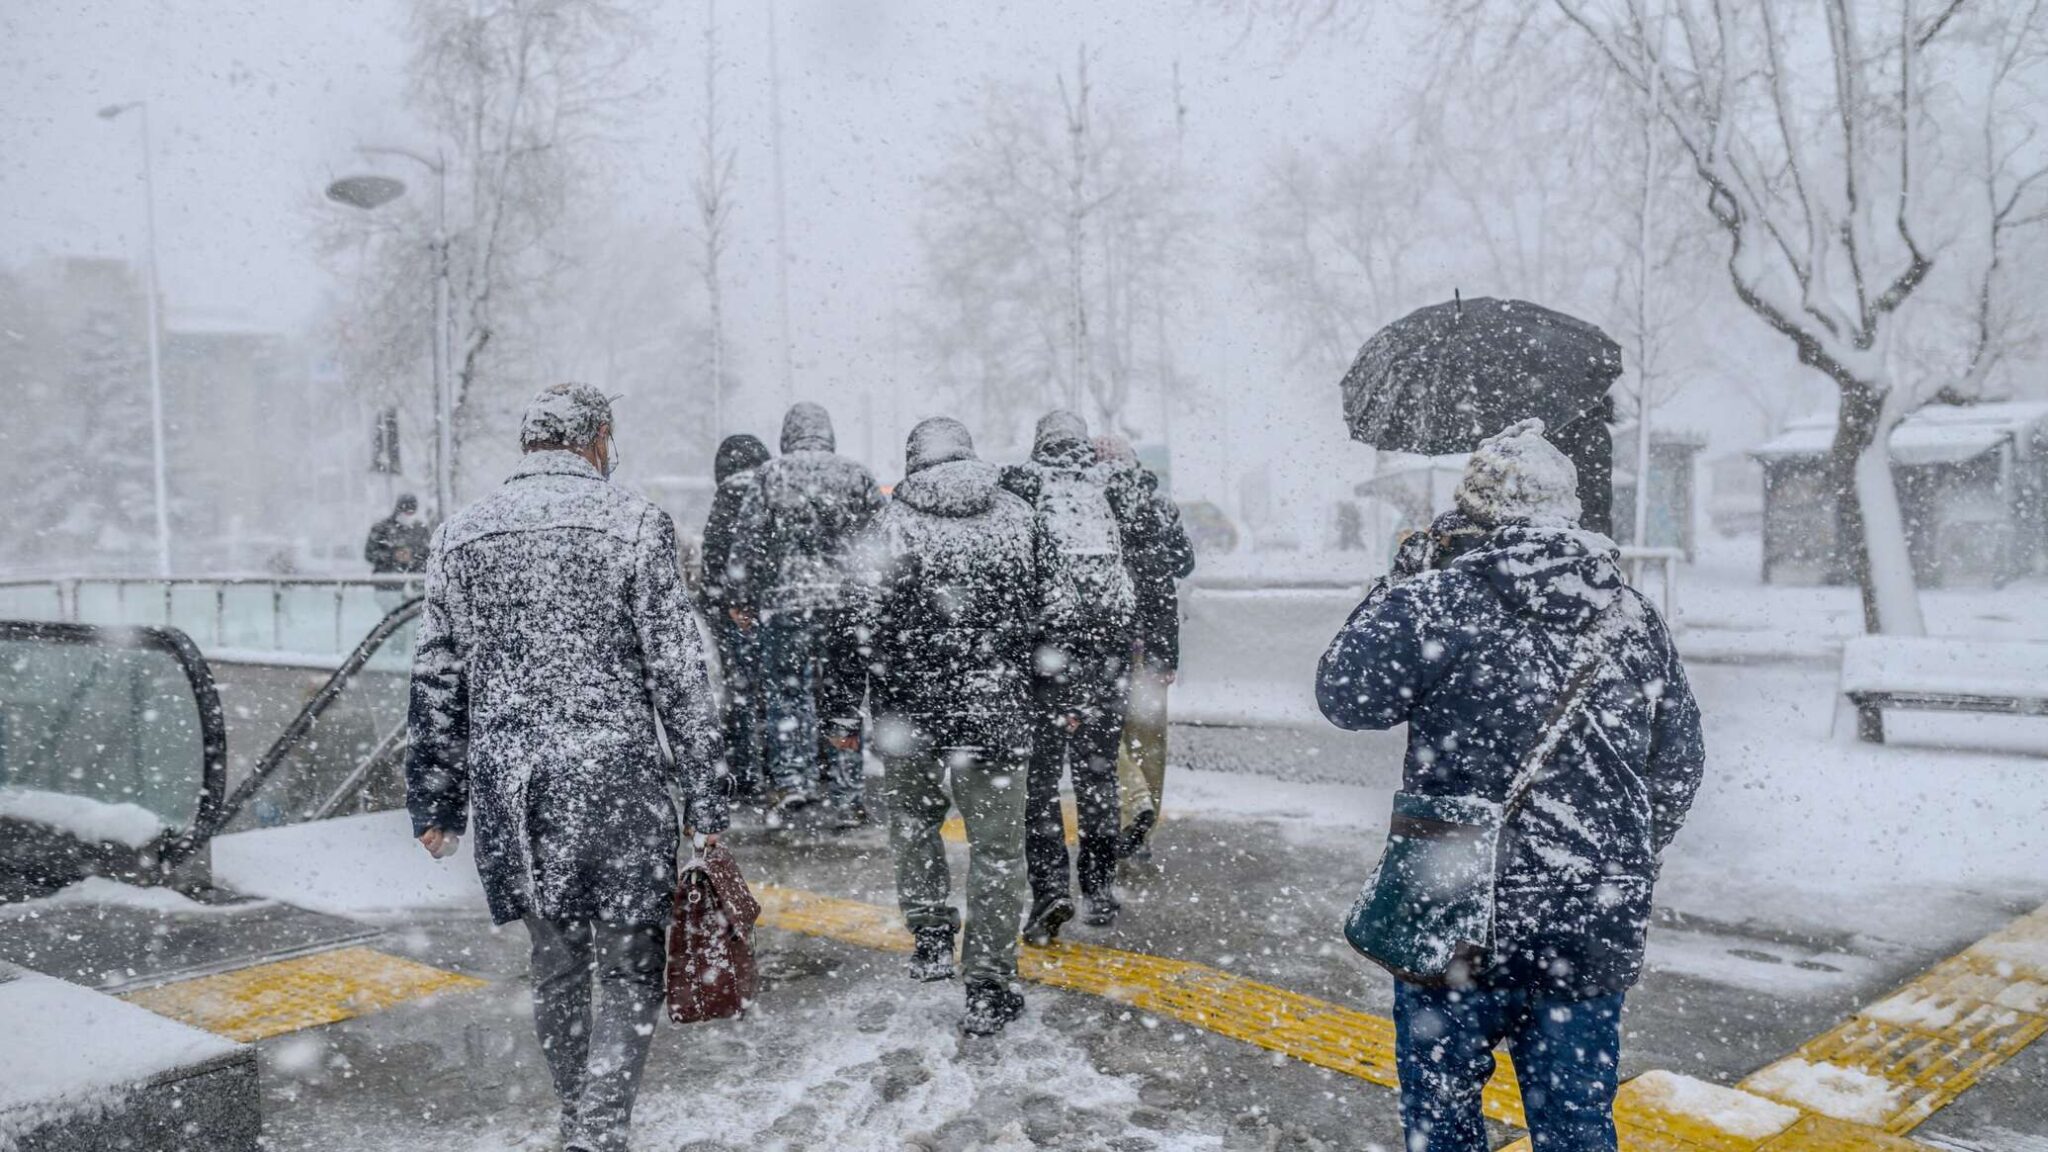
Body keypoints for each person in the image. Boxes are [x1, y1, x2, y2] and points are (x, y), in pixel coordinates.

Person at [1314, 420, 1704, 1152]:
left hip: (1455, 909)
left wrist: (1399, 580)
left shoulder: (1434, 601)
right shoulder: (1631, 615)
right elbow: (1679, 763)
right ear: (1569, 511)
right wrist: (1617, 855)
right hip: (1590, 919)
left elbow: (1345, 695)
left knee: (1444, 1121)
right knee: (1577, 1125)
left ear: (1471, 511)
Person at [406, 382, 727, 1152]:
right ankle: (602, 1123)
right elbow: (680, 674)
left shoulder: (460, 535)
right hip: (615, 779)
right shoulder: (637, 524)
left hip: (515, 785)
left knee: (554, 962)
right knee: (627, 961)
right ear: (598, 439)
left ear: (531, 443)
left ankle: (574, 1112)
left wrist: (437, 803)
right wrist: (706, 803)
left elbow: (436, 675)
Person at [851, 417, 1039, 1035]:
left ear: (913, 461)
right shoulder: (1017, 516)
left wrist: (842, 707)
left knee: (913, 822)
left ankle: (931, 935)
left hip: (912, 715)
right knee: (998, 852)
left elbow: (856, 621)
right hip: (996, 710)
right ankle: (988, 982)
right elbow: (1051, 610)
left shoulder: (889, 522)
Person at [1001, 411, 1136, 940]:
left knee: (1039, 786)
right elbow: (1159, 553)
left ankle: (1051, 888)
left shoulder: (1024, 487)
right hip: (1108, 658)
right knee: (1098, 779)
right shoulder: (1110, 491)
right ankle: (1099, 888)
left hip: (1048, 657)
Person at [733, 402, 885, 828]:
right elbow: (878, 542)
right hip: (844, 606)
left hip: (787, 604)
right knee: (843, 699)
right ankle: (847, 792)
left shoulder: (770, 475)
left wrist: (742, 597)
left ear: (788, 435)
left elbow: (747, 541)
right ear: (828, 433)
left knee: (788, 694)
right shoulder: (855, 475)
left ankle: (792, 781)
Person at [1089, 435, 1195, 866]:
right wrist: (1166, 654)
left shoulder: (1089, 507)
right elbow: (1183, 564)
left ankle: (1131, 808)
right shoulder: (1158, 503)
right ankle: (1143, 828)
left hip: (1103, 646)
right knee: (1148, 744)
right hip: (1151, 645)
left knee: (1103, 737)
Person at [701, 433, 773, 804]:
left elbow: (714, 557)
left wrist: (720, 605)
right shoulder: (770, 490)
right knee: (777, 690)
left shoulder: (727, 494)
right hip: (771, 609)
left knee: (740, 692)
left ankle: (745, 773)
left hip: (733, 611)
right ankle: (780, 770)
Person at [364, 493, 431, 574]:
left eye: (412, 512)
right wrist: (392, 555)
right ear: (398, 510)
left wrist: (413, 555)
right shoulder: (381, 528)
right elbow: (369, 554)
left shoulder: (421, 529)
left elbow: (429, 554)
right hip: (387, 579)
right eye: (405, 512)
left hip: (416, 579)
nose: (408, 515)